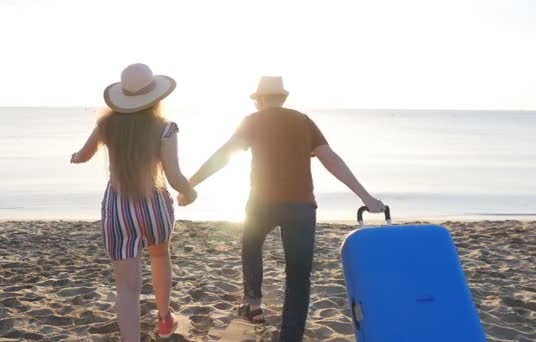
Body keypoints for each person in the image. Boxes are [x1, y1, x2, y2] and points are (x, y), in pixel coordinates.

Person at [179, 76, 385, 341]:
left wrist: (189, 185)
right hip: (301, 207)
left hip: (262, 203)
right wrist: (365, 196)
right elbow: (331, 159)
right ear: (283, 98)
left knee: (251, 246)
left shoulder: (253, 121)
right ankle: (291, 335)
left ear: (258, 100)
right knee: (299, 276)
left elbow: (223, 156)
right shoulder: (303, 121)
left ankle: (253, 303)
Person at [71, 63, 197, 341]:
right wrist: (189, 192)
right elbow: (174, 176)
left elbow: (84, 154)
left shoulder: (107, 125)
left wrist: (76, 157)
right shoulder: (165, 128)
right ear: (156, 97)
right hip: (155, 207)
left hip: (118, 210)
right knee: (160, 255)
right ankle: (164, 321)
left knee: (127, 288)